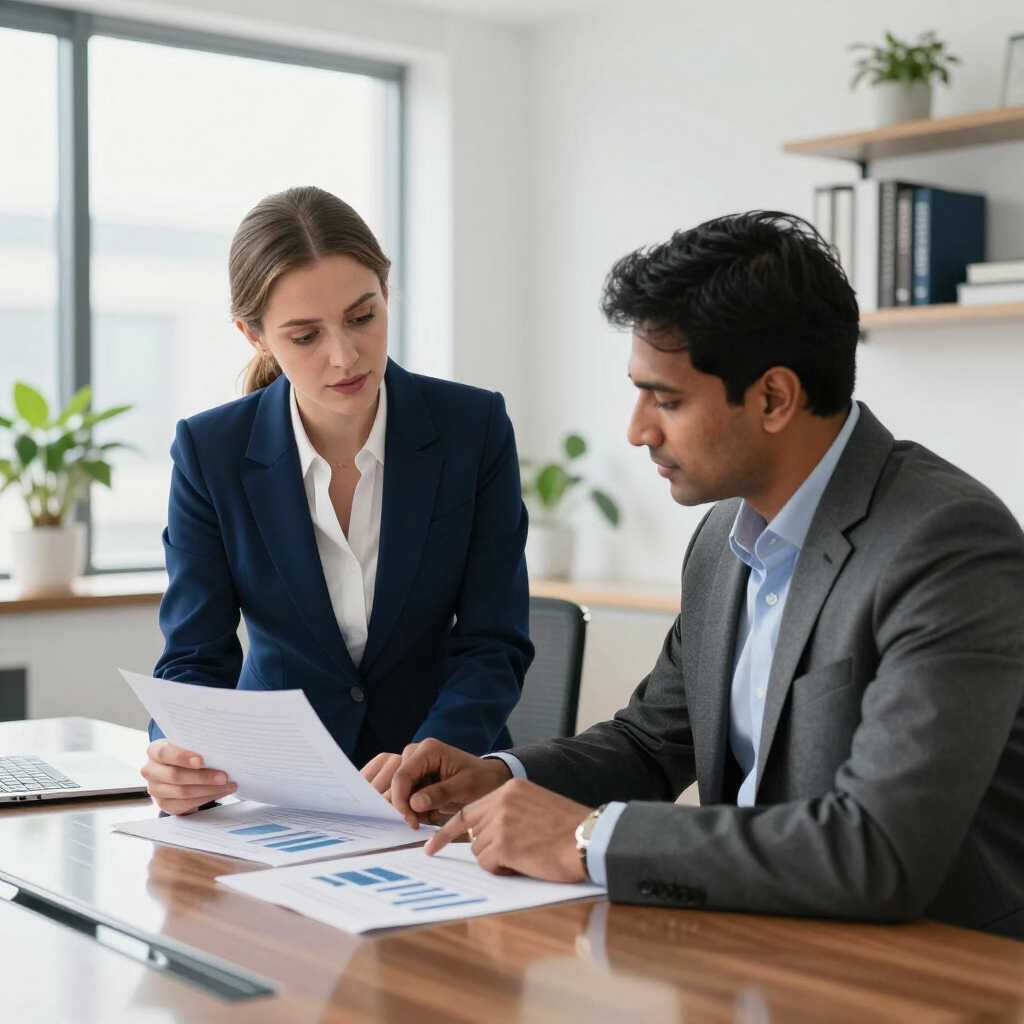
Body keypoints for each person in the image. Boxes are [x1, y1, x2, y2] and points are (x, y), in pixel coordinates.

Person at [390, 211, 1024, 938]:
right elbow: (652, 742)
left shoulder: (946, 544)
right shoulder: (724, 536)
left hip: (939, 970)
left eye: (667, 399)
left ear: (774, 398)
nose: (638, 430)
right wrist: (503, 777)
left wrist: (588, 837)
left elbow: (878, 850)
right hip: (759, 940)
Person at [141, 186, 533, 816]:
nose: (345, 356)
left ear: (386, 293)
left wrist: (438, 750)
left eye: (362, 317)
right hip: (275, 798)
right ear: (254, 336)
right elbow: (194, 655)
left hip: (442, 792)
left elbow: (494, 640)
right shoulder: (210, 450)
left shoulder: (474, 427)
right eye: (304, 336)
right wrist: (177, 755)